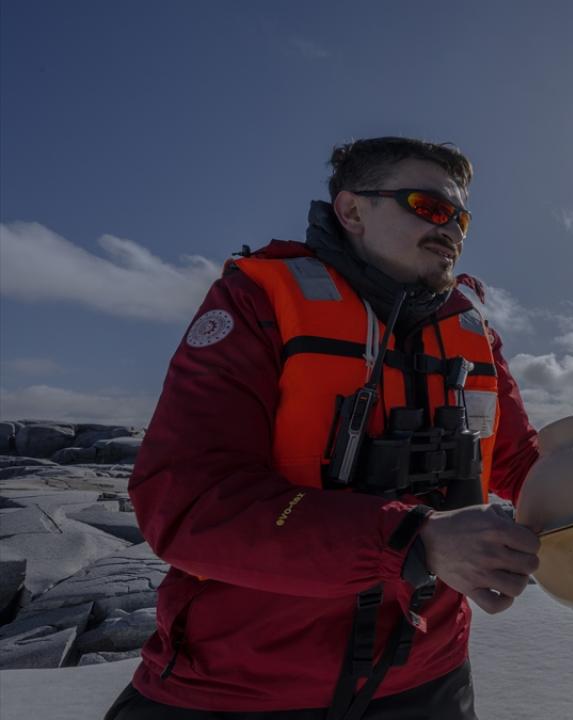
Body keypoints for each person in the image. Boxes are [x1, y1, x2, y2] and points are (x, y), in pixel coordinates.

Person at [105, 137, 542, 720]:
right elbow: (186, 504)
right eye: (431, 208)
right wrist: (412, 540)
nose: (452, 230)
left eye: (461, 217)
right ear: (352, 209)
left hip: (428, 679)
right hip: (240, 690)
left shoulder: (473, 333)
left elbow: (519, 465)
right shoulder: (256, 302)